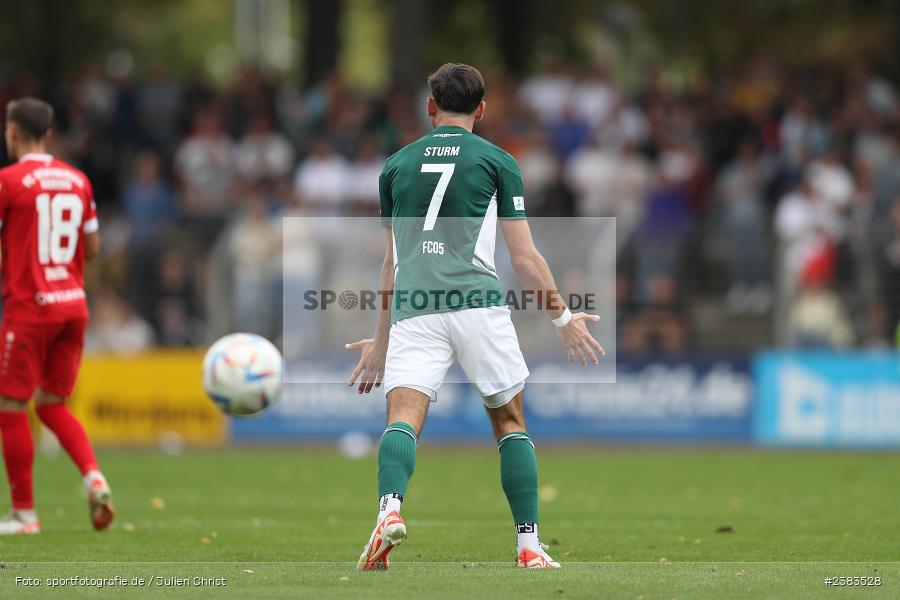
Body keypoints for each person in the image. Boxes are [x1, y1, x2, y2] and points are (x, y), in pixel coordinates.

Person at [346, 64, 603, 571]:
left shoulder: (395, 167)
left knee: (402, 419)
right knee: (509, 421)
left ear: (430, 106)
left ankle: (388, 512)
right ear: (482, 109)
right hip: (478, 306)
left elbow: (391, 262)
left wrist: (380, 340)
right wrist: (563, 319)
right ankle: (528, 545)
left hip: (416, 309)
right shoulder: (498, 161)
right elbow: (526, 260)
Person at [0, 98, 114, 535]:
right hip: (73, 305)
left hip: (30, 308)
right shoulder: (77, 180)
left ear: (13, 131)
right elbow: (94, 249)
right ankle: (94, 476)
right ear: (48, 134)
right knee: (51, 404)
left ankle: (24, 514)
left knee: (11, 404)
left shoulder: (10, 182)